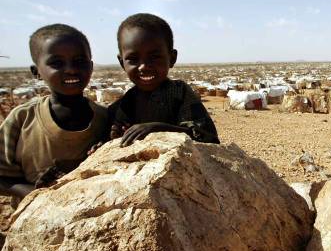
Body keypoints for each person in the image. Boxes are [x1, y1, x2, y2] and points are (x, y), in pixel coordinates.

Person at [0, 24, 107, 199]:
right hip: (36, 219)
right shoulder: (22, 119)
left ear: (91, 66)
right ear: (37, 72)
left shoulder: (105, 118)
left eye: (79, 61)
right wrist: (35, 193)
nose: (71, 69)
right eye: (57, 63)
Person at [109, 13, 219, 146]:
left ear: (172, 58)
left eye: (154, 57)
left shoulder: (179, 92)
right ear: (122, 64)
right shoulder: (125, 103)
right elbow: (117, 139)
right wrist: (114, 137)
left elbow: (207, 137)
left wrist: (157, 128)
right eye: (133, 59)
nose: (143, 66)